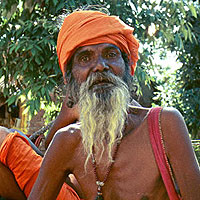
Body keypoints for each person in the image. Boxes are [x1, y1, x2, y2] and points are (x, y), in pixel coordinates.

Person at [0, 9, 200, 200]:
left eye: (111, 54)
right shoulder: (67, 142)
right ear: (69, 80)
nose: (100, 66)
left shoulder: (165, 124)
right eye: (85, 58)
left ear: (128, 68)